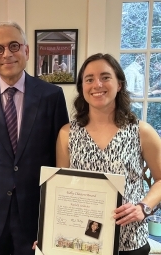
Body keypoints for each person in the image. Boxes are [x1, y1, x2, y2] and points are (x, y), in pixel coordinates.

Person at [0, 21, 69, 255]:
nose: (7, 54)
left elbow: (61, 160)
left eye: (14, 46)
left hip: (35, 214)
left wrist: (60, 216)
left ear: (26, 51)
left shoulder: (52, 95)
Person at [56, 53, 161, 254]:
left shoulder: (142, 131)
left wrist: (143, 207)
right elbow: (60, 191)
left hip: (129, 240)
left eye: (105, 77)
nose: (97, 84)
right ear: (82, 88)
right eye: (89, 79)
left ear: (119, 84)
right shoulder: (66, 134)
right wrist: (50, 234)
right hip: (83, 243)